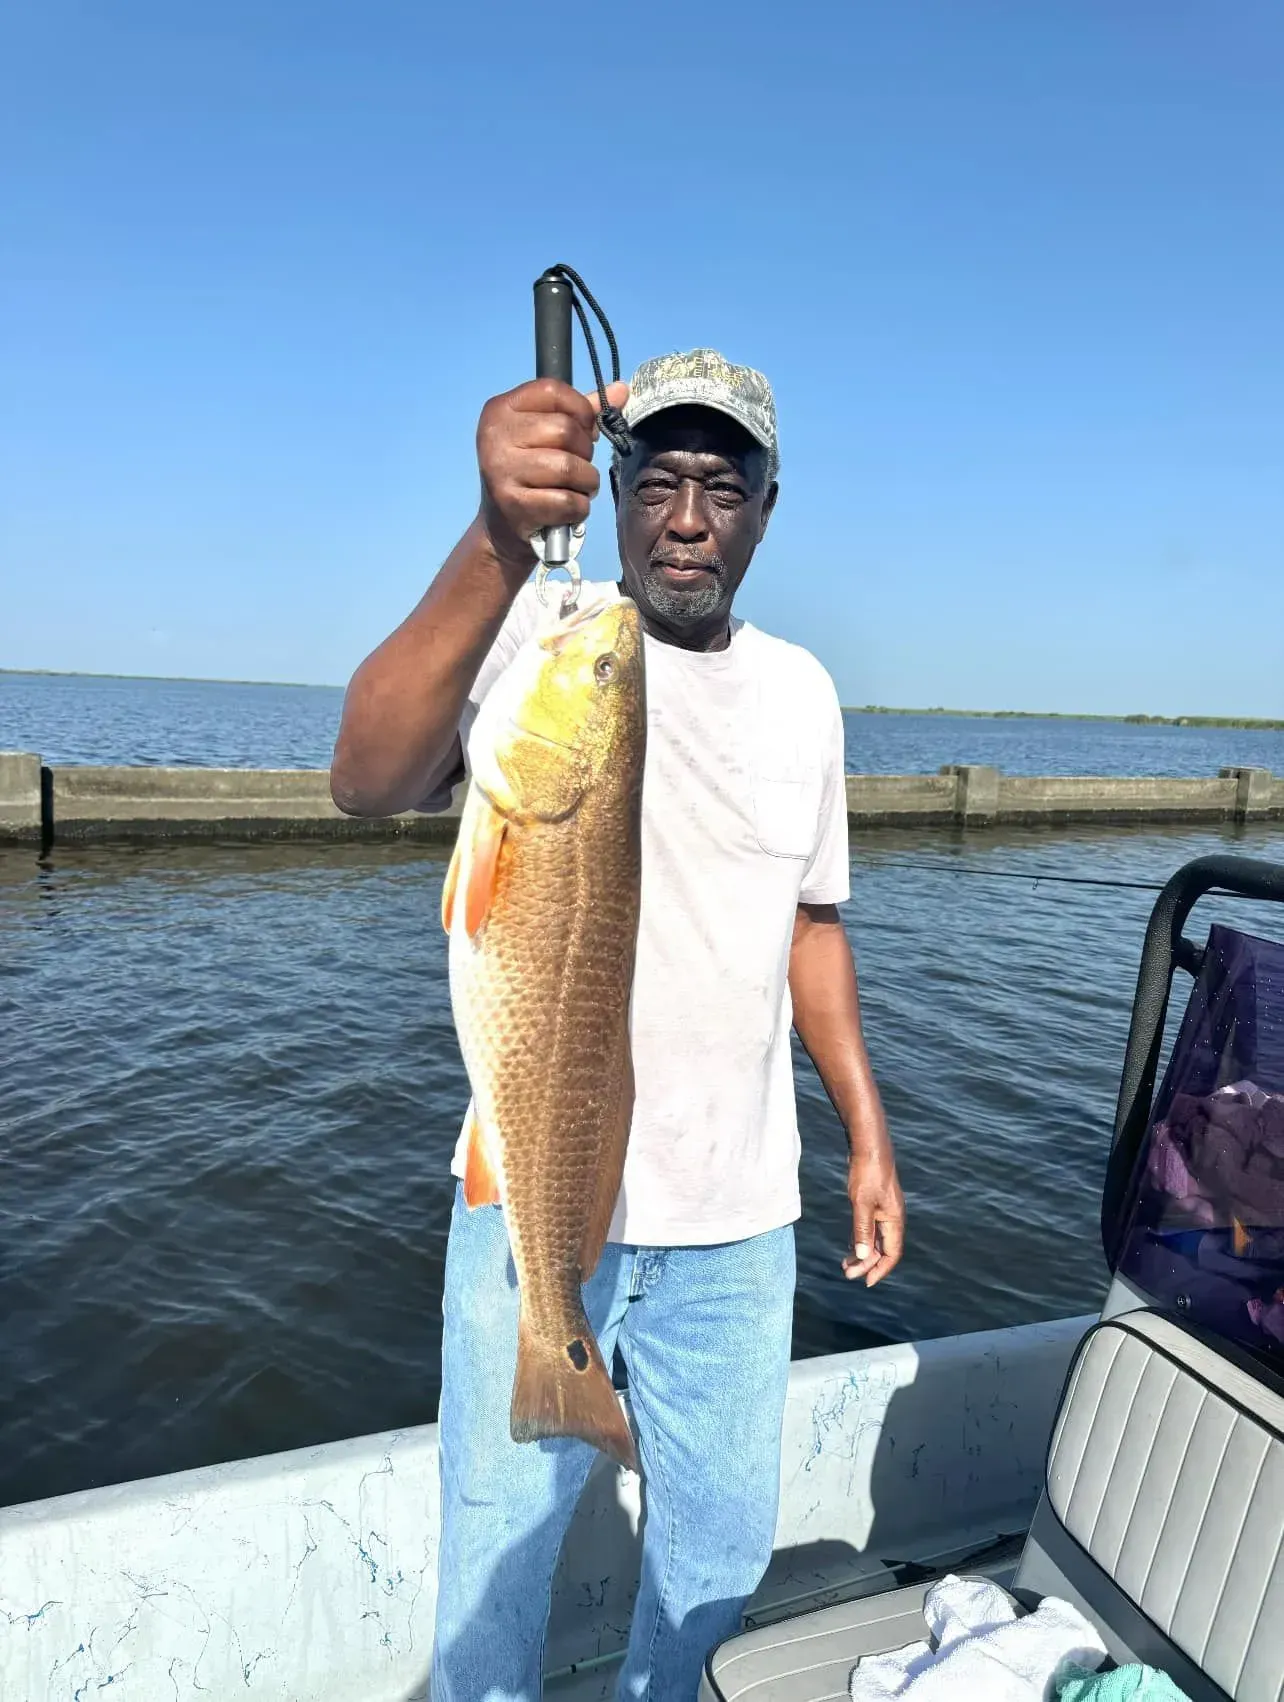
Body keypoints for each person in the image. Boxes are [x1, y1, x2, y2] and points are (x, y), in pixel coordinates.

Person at [330, 348, 906, 1700]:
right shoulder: (549, 638)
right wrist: (495, 537)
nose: (687, 516)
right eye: (657, 478)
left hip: (740, 1227)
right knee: (493, 1571)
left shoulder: (804, 696)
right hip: (530, 1209)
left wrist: (868, 1137)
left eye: (722, 483)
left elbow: (813, 928)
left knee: (712, 1560)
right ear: (619, 488)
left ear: (768, 506)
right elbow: (365, 777)